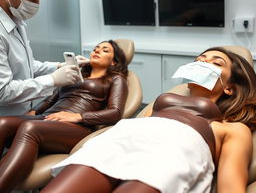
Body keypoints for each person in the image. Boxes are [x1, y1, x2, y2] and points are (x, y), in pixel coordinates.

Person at [40, 47, 256, 193]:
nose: (203, 63)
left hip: (169, 156)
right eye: (199, 60)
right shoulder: (159, 104)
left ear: (229, 87)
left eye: (215, 63)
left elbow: (231, 188)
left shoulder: (232, 128)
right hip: (117, 143)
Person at [0, 40, 128, 193]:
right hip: (48, 120)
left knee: (30, 127)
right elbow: (51, 100)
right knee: (3, 123)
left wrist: (79, 117)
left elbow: (116, 112)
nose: (97, 51)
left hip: (77, 127)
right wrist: (34, 111)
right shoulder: (76, 75)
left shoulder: (116, 79)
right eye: (96, 48)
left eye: (105, 50)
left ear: (113, 61)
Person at [0, 0, 83, 116]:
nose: (37, 4)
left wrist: (59, 66)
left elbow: (26, 66)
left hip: (21, 118)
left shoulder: (16, 21)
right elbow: (2, 91)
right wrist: (52, 80)